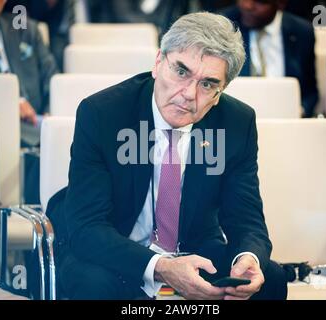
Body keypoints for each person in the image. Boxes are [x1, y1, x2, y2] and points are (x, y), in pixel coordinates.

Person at [47, 11, 287, 300]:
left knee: (269, 280)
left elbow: (246, 218)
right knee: (91, 284)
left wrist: (247, 258)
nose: (188, 93)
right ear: (159, 62)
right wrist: (161, 267)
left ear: (219, 92)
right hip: (115, 248)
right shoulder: (103, 113)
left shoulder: (237, 122)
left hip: (194, 247)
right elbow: (87, 227)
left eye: (208, 83)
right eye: (181, 71)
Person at [0, 0, 58, 203]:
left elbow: (53, 82)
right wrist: (6, 103)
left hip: (31, 133)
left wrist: (52, 117)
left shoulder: (25, 29)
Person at [221, 0, 318, 117]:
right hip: (237, 116)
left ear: (280, 3)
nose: (247, 5)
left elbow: (310, 91)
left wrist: (299, 111)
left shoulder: (302, 32)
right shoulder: (223, 26)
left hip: (286, 119)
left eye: (258, 1)